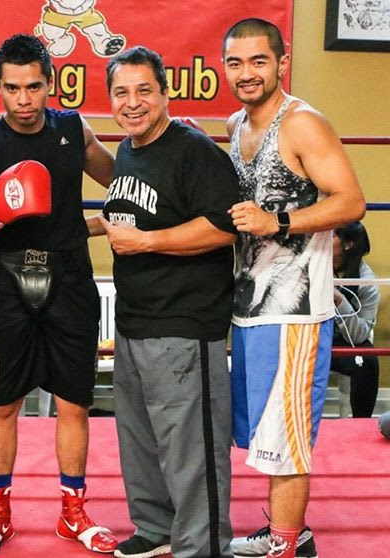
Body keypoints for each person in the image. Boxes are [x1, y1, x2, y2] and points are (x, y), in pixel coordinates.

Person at [0, 33, 116, 558]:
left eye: (33, 87)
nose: (23, 100)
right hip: (8, 281)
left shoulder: (72, 129)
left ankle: (73, 512)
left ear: (52, 85)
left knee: (74, 404)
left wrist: (159, 144)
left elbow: (121, 178)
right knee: (4, 404)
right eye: (12, 88)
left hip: (71, 280)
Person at [223, 18, 366, 558]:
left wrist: (278, 222)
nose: (247, 73)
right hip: (249, 307)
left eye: (258, 61)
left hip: (296, 308)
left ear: (281, 62)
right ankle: (287, 530)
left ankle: (287, 542)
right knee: (264, 432)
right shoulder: (236, 124)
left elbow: (351, 201)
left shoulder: (303, 123)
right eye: (235, 62)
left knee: (286, 435)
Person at [89, 46, 238, 558]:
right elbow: (136, 213)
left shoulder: (193, 150)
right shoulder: (130, 150)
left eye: (144, 91)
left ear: (165, 93)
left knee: (192, 450)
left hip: (185, 322)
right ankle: (156, 527)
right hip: (134, 320)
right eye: (122, 92)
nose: (133, 103)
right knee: (142, 440)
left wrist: (149, 243)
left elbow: (224, 225)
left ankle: (204, 546)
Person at [331, 221, 380, 418]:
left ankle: (362, 424)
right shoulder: (312, 267)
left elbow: (359, 335)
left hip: (344, 341)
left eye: (331, 235)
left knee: (367, 362)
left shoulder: (366, 282)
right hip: (312, 338)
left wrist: (339, 299)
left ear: (348, 244)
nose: (322, 238)